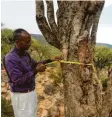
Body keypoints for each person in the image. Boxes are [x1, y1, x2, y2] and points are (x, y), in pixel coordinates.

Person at [3, 28, 59, 117]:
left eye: (30, 40)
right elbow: (18, 81)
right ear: (18, 42)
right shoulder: (10, 59)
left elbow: (35, 64)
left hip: (30, 93)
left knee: (32, 114)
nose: (30, 43)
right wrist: (36, 70)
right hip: (21, 97)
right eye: (27, 41)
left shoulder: (25, 54)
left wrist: (50, 60)